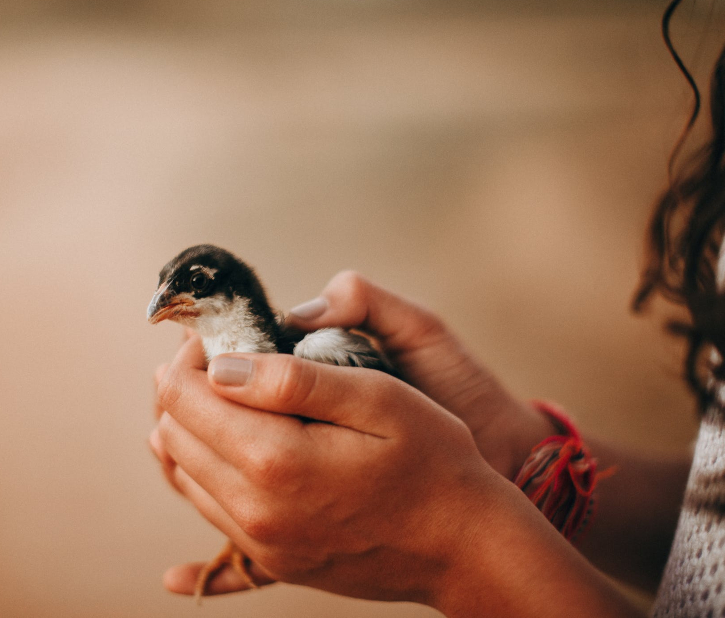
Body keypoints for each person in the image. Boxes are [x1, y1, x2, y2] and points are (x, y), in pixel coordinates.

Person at [148, 1, 725, 616]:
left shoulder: (323, 352)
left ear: (231, 292)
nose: (166, 305)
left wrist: (455, 548)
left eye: (193, 286)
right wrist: (513, 454)